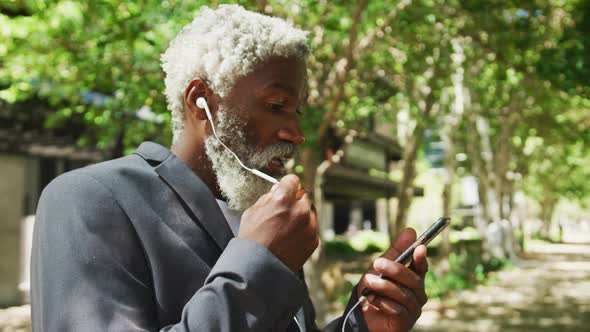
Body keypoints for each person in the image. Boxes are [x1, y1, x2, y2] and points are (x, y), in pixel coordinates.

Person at [31, 5, 428, 332]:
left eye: (298, 112)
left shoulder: (263, 218)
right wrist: (259, 264)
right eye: (276, 106)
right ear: (201, 101)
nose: (295, 133)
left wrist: (360, 325)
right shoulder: (89, 199)